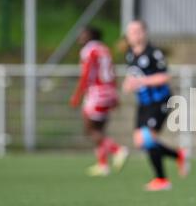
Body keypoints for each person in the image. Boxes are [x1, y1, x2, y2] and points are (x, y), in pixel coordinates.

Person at [122, 20, 188, 191]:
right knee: (140, 142)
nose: (134, 35)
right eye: (131, 32)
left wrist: (141, 81)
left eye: (137, 31)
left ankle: (161, 179)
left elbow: (165, 77)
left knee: (148, 138)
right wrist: (128, 84)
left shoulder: (153, 53)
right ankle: (178, 154)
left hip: (160, 100)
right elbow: (132, 76)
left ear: (144, 33)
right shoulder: (130, 54)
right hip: (144, 103)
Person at [70, 26, 129, 176]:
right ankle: (103, 165)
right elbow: (112, 72)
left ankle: (117, 150)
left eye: (83, 34)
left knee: (89, 129)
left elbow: (86, 74)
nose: (80, 36)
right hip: (109, 91)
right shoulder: (104, 49)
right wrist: (115, 94)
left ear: (90, 36)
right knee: (100, 130)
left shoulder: (89, 50)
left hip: (96, 92)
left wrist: (77, 95)